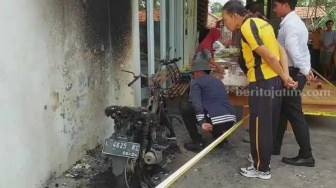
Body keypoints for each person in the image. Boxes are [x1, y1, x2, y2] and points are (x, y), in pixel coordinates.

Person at [222, 0, 296, 179]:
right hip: (273, 81)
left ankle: (261, 168)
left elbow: (270, 56)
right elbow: (281, 51)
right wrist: (284, 76)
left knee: (259, 125)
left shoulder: (247, 26)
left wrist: (285, 77)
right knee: (268, 124)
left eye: (225, 19)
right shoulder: (264, 24)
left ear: (234, 15)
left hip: (262, 82)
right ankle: (263, 159)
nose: (225, 23)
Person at [273, 0, 315, 167]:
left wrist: (305, 70)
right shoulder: (296, 22)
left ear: (285, 4)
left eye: (276, 5)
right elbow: (304, 51)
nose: (275, 8)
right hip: (296, 71)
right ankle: (274, 146)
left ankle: (306, 155)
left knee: (294, 113)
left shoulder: (290, 25)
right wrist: (307, 68)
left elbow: (293, 50)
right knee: (284, 110)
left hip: (293, 74)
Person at [182, 59, 236, 152]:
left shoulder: (196, 82)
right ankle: (221, 139)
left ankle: (197, 142)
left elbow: (196, 104)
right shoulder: (217, 81)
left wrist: (202, 122)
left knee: (186, 112)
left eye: (193, 73)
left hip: (216, 121)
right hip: (231, 120)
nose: (193, 76)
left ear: (199, 71)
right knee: (211, 109)